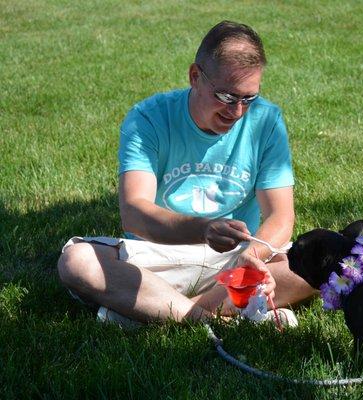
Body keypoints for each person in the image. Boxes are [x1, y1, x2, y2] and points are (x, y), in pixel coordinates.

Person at [57, 21, 315, 326]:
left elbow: (281, 217)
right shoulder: (148, 119)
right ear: (195, 76)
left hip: (239, 260)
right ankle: (219, 316)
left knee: (329, 265)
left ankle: (157, 310)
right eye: (227, 97)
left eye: (249, 98)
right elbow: (134, 213)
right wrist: (203, 230)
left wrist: (254, 256)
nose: (237, 112)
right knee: (77, 262)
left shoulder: (266, 120)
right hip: (161, 257)